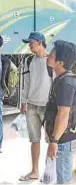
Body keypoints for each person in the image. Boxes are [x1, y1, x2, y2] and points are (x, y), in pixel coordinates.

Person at [19, 32, 53, 182]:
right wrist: (23, 101)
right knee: (35, 140)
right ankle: (34, 171)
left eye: (31, 42)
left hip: (48, 106)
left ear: (40, 42)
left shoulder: (51, 61)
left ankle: (49, 173)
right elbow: (26, 83)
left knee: (52, 141)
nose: (29, 45)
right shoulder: (28, 61)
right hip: (31, 106)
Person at [45, 40, 76, 184]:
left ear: (61, 62)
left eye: (51, 55)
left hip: (63, 140)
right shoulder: (61, 79)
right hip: (60, 139)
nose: (48, 56)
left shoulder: (66, 82)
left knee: (63, 180)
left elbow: (63, 114)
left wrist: (54, 141)